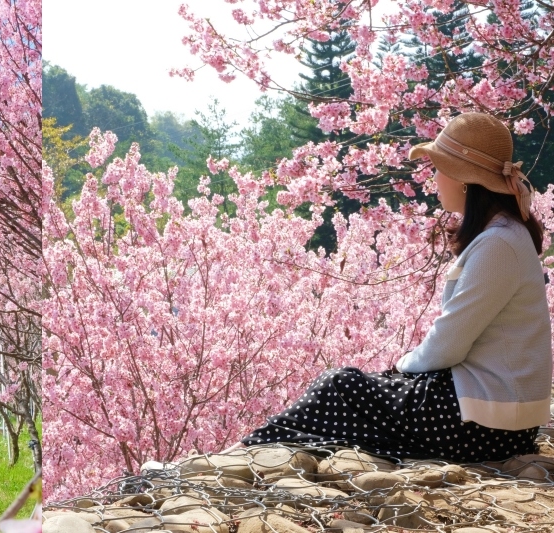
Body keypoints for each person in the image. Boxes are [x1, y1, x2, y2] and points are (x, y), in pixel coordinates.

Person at [235, 112, 552, 462]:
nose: (434, 178)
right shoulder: (505, 235)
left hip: (484, 423)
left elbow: (447, 346)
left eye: (438, 168)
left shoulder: (498, 244)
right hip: (495, 416)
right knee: (352, 402)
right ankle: (259, 448)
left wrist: (400, 365)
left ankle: (247, 451)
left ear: (464, 180)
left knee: (340, 384)